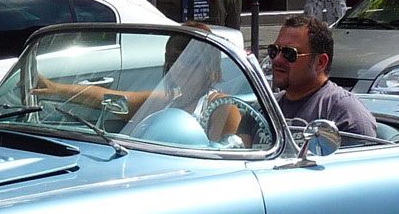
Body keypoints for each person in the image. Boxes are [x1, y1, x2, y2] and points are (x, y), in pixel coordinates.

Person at [35, 25, 243, 143]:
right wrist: (54, 88)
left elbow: (223, 163)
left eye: (187, 60)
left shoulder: (222, 106)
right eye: (172, 59)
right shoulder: (169, 100)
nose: (178, 67)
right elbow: (109, 99)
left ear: (208, 66)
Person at [269, 14, 376, 139]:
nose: (277, 59)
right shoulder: (265, 108)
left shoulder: (345, 113)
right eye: (274, 50)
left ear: (320, 63)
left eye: (289, 53)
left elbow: (361, 157)